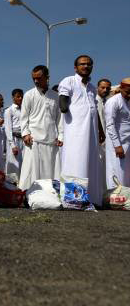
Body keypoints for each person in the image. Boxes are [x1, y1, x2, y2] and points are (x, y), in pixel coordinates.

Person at [58, 55, 105, 206]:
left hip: (91, 134)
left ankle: (91, 198)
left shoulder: (92, 88)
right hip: (75, 133)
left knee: (91, 162)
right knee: (76, 161)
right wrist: (64, 105)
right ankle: (74, 199)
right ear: (75, 67)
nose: (86, 66)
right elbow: (63, 103)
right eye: (82, 64)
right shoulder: (68, 81)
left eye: (89, 64)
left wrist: (100, 130)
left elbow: (94, 109)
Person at [18, 65, 63, 190]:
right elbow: (24, 117)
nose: (36, 81)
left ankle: (50, 193)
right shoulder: (29, 95)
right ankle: (28, 194)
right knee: (31, 170)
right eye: (34, 78)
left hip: (51, 139)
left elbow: (60, 119)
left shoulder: (55, 96)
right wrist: (25, 133)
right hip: (34, 139)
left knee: (51, 169)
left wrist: (61, 136)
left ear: (47, 77)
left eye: (39, 78)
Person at [104, 78, 130, 188]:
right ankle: (115, 200)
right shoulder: (113, 101)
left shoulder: (128, 101)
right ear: (121, 88)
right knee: (117, 171)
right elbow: (110, 125)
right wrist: (117, 145)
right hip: (117, 143)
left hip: (127, 141)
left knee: (126, 173)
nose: (129, 95)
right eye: (127, 92)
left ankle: (126, 199)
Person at [4, 89, 24, 183]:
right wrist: (12, 145)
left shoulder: (24, 109)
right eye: (18, 96)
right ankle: (12, 185)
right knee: (14, 165)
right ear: (13, 98)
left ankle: (23, 184)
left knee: (24, 163)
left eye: (21, 96)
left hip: (24, 139)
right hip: (14, 140)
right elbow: (8, 129)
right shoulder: (9, 110)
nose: (20, 98)